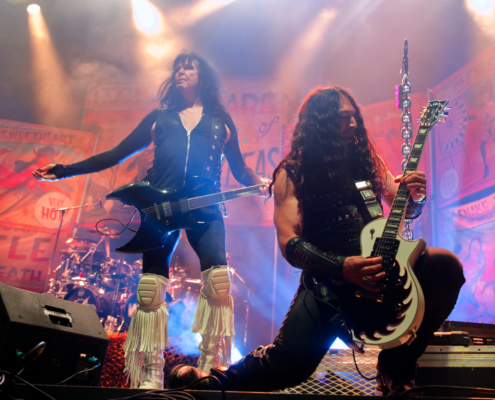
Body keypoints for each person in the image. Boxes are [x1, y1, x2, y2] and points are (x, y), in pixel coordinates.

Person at [169, 86, 465, 395]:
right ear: (320, 123)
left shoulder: (366, 159)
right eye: (343, 118)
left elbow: (403, 206)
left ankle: (396, 369)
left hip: (383, 273)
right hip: (329, 288)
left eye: (355, 117)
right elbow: (288, 242)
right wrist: (342, 266)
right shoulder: (292, 172)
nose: (353, 124)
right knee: (287, 365)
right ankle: (209, 382)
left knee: (445, 266)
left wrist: (416, 196)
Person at [32, 52, 268, 389]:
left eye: (188, 67)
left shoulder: (221, 121)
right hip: (160, 209)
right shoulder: (159, 118)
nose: (180, 72)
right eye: (177, 67)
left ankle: (210, 369)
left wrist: (257, 181)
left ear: (203, 76)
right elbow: (115, 154)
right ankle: (150, 371)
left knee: (218, 283)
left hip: (205, 209)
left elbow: (240, 167)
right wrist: (64, 170)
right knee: (149, 290)